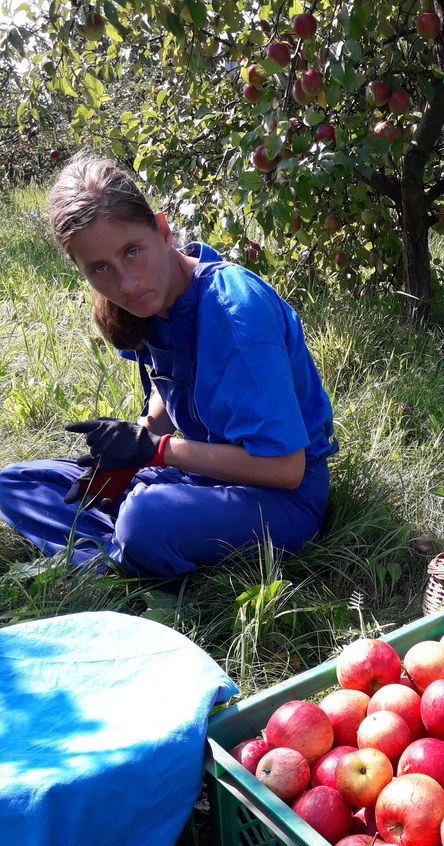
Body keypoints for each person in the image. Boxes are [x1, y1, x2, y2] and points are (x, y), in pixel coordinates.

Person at [0, 151, 338, 580]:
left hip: (280, 499)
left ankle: (122, 549)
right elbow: (168, 383)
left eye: (133, 251)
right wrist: (138, 443)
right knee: (17, 484)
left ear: (162, 230)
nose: (126, 283)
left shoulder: (235, 316)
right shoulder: (151, 304)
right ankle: (129, 542)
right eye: (100, 268)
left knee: (145, 517)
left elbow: (285, 469)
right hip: (201, 473)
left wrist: (156, 452)